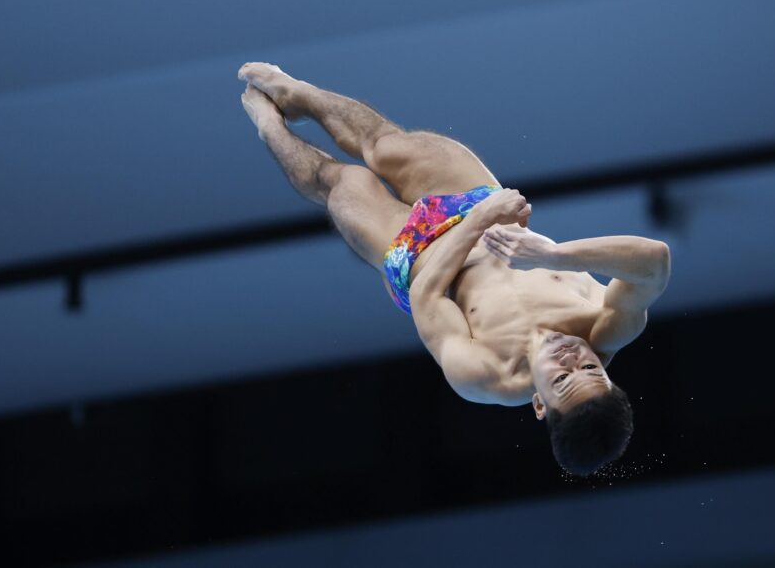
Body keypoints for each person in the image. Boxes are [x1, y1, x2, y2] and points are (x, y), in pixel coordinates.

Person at [238, 62, 671, 475]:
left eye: (561, 379)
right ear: (608, 376)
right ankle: (299, 93)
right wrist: (553, 256)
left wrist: (478, 222)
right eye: (591, 369)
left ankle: (269, 126)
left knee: (340, 183)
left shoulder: (487, 376)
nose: (572, 358)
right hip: (476, 201)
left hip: (418, 256)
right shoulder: (606, 327)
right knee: (386, 145)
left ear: (540, 404)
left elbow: (426, 296)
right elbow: (655, 261)